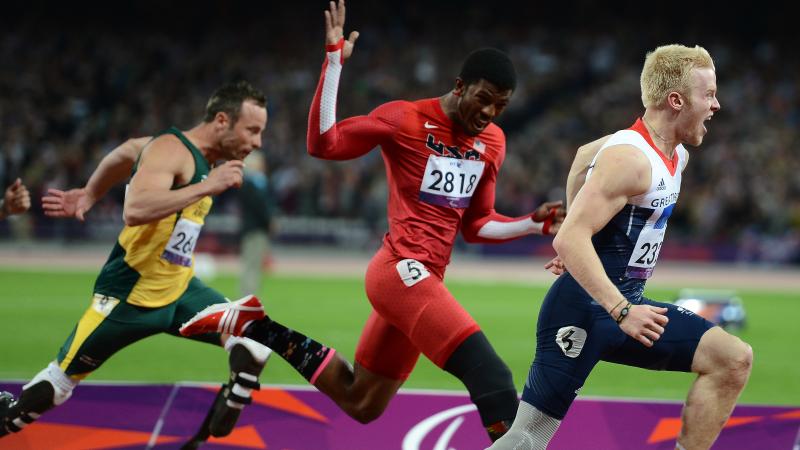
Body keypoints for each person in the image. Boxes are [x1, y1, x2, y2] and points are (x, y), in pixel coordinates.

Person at [179, 0, 565, 443]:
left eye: (500, 105)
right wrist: (332, 63)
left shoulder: (492, 142)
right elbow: (324, 145)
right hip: (399, 271)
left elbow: (476, 225)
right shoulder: (405, 119)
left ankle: (256, 327)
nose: (489, 114)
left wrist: (532, 225)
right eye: (483, 99)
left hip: (429, 279)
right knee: (492, 377)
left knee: (361, 401)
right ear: (459, 87)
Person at [489, 44, 753, 450]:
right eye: (709, 94)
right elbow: (567, 237)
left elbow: (581, 158)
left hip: (628, 306)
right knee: (527, 439)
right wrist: (616, 301)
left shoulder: (674, 154)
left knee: (732, 359)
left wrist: (583, 230)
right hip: (585, 310)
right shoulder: (630, 159)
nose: (717, 105)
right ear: (677, 101)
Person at [0, 81, 274, 449]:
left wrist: (90, 193)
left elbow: (127, 151)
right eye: (252, 130)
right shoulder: (171, 150)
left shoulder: (196, 157)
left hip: (179, 290)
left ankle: (224, 410)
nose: (257, 142)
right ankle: (7, 419)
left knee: (253, 332)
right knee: (59, 383)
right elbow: (135, 210)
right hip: (129, 297)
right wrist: (207, 188)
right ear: (222, 121)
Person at [238, 151, 276, 297]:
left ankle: (250, 295)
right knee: (251, 264)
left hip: (254, 228)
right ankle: (248, 296)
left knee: (254, 264)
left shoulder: (255, 182)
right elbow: (261, 207)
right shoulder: (251, 184)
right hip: (254, 229)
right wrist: (269, 221)